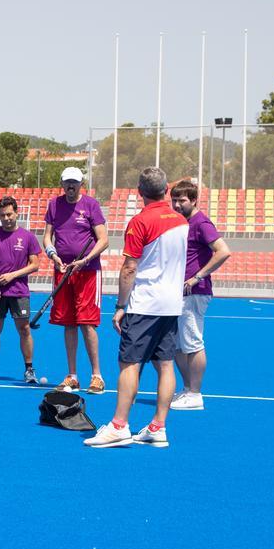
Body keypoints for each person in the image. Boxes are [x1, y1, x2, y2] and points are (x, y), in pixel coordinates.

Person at [85, 167, 187, 448]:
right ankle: (158, 426)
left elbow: (130, 267)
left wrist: (120, 305)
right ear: (167, 190)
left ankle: (119, 425)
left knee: (129, 363)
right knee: (165, 364)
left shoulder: (140, 221)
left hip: (146, 303)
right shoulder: (180, 220)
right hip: (171, 304)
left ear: (139, 192)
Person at [43, 166, 109, 394]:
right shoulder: (54, 205)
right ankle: (72, 376)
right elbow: (47, 237)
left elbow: (103, 240)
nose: (71, 186)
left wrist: (87, 259)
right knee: (68, 323)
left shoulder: (91, 205)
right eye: (67, 182)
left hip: (88, 271)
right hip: (62, 270)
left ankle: (97, 376)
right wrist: (52, 255)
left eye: (75, 183)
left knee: (87, 323)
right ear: (62, 184)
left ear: (81, 184)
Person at [169, 179, 231, 410]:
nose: (176, 205)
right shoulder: (181, 223)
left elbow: (223, 251)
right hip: (178, 293)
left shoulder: (201, 222)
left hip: (194, 292)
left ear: (193, 200)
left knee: (192, 341)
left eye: (182, 200)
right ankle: (187, 389)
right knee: (176, 344)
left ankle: (195, 393)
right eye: (174, 200)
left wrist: (197, 276)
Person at [0, 196, 41, 383]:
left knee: (24, 329)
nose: (6, 218)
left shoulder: (28, 237)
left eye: (9, 214)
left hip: (19, 291)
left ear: (17, 212)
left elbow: (35, 264)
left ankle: (29, 370)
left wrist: (13, 275)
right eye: (2, 215)